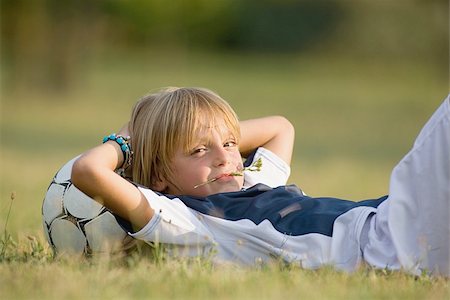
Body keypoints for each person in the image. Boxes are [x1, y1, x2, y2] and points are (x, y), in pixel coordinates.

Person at [71, 87, 450, 276]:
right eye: (198, 152)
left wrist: (210, 137)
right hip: (385, 246)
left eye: (230, 144)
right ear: (158, 177)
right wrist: (132, 141)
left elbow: (279, 128)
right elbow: (89, 172)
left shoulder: (250, 181)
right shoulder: (186, 221)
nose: (223, 157)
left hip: (389, 220)